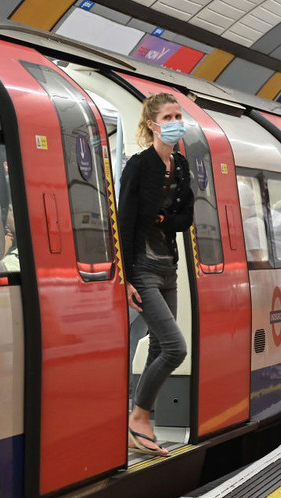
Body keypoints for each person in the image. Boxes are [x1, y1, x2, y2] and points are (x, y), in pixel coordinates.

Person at [119, 93, 194, 456]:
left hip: (169, 269)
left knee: (161, 346)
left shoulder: (180, 165)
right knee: (177, 348)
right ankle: (138, 416)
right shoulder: (139, 165)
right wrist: (127, 278)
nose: (176, 121)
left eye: (178, 115)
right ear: (152, 124)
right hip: (144, 270)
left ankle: (138, 423)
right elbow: (126, 222)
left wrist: (164, 219)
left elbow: (186, 218)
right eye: (169, 116)